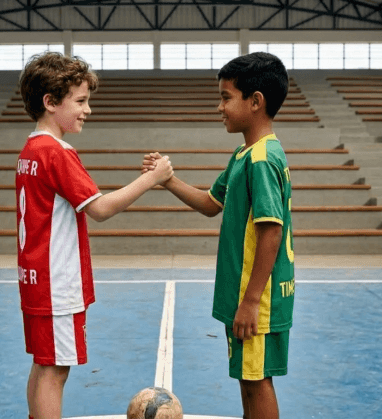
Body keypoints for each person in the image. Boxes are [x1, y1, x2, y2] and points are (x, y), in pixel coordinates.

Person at [16, 52, 173, 419]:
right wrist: (154, 177)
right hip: (56, 281)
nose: (88, 110)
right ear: (50, 102)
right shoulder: (57, 153)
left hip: (37, 278)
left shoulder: (30, 149)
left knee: (43, 364)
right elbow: (100, 208)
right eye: (81, 101)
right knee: (55, 370)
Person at [143, 52, 294, 419]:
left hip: (258, 295)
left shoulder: (261, 159)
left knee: (257, 382)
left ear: (255, 101)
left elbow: (271, 229)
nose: (219, 106)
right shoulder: (244, 154)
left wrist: (251, 300)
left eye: (226, 97)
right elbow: (211, 204)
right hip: (246, 293)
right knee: (248, 378)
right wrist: (168, 180)